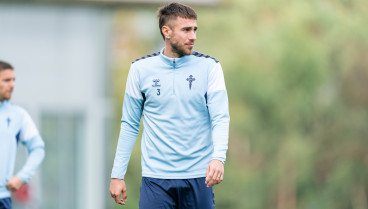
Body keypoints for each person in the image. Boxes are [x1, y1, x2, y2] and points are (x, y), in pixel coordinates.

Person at [109, 2, 229, 208]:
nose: (193, 36)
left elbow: (220, 118)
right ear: (166, 31)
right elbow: (129, 124)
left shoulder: (210, 68)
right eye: (186, 30)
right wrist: (117, 175)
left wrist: (218, 158)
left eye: (194, 29)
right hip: (156, 180)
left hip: (199, 177)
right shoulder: (140, 70)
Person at [0, 61, 45, 209]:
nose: (12, 85)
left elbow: (38, 149)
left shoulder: (18, 115)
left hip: (3, 198)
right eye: (7, 80)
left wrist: (21, 177)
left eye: (13, 80)